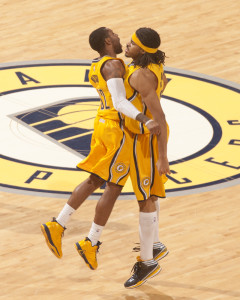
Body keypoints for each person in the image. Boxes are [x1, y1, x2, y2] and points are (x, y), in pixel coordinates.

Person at [40, 27, 162, 271]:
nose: (119, 37)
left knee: (96, 179)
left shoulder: (97, 64)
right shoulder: (114, 66)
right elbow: (118, 102)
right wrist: (143, 118)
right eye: (115, 35)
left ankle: (60, 225)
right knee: (113, 186)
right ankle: (90, 241)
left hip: (101, 124)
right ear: (108, 41)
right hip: (116, 129)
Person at [122, 27, 171, 289]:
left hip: (150, 139)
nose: (127, 45)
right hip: (143, 137)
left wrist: (163, 157)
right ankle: (154, 244)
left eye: (132, 43)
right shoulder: (151, 65)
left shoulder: (142, 75)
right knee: (148, 195)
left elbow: (160, 118)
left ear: (143, 50)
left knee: (145, 198)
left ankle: (148, 261)